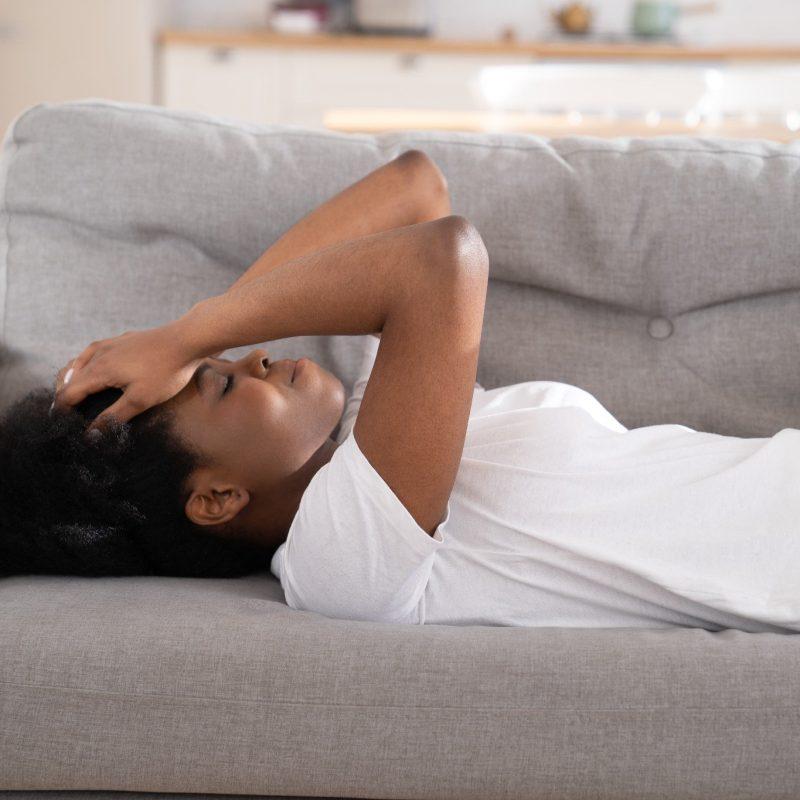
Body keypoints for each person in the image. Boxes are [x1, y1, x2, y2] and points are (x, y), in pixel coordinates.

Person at [4, 151, 799, 634]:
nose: (248, 355)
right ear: (215, 498)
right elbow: (442, 255)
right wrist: (187, 339)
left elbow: (415, 188)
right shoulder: (340, 555)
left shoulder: (362, 434)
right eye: (217, 384)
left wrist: (185, 337)